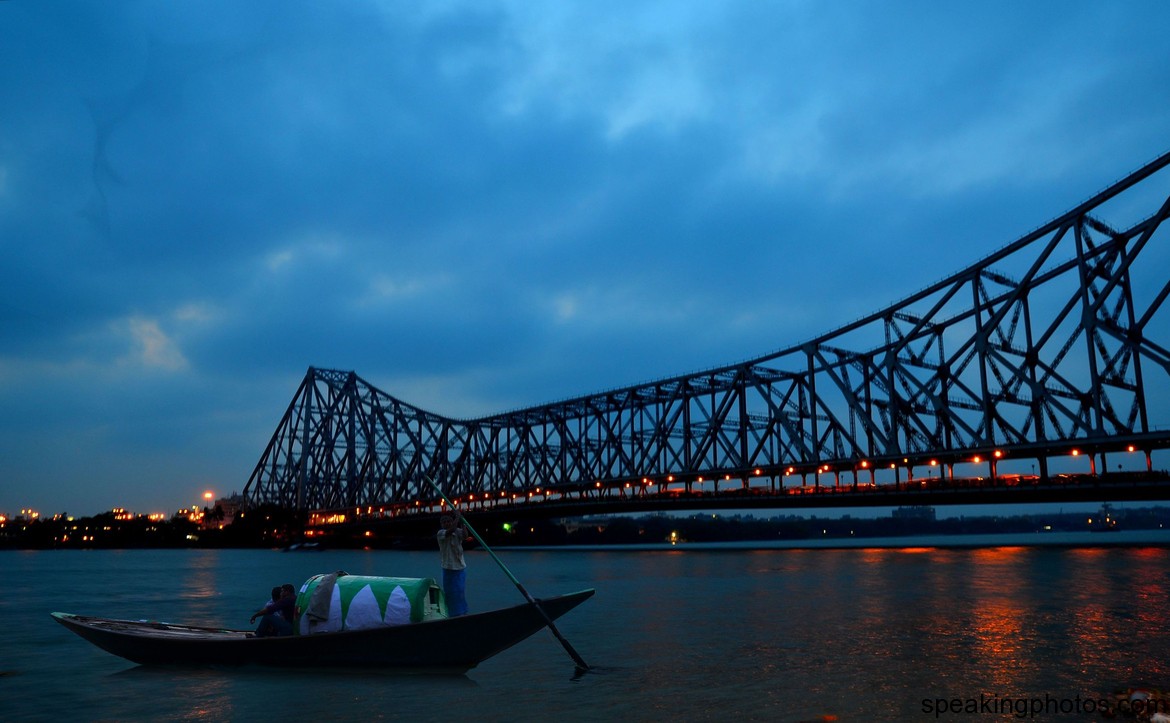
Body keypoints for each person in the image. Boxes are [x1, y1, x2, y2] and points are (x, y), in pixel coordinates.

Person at [437, 511, 469, 616]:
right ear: (442, 524)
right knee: (451, 593)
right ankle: (451, 614)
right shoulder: (441, 533)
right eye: (445, 522)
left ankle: (462, 612)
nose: (447, 524)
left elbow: (465, 536)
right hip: (448, 568)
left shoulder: (457, 531)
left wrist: (463, 524)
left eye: (449, 521)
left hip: (460, 567)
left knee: (460, 592)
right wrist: (457, 518)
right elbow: (450, 531)